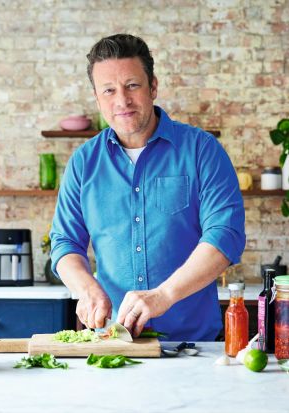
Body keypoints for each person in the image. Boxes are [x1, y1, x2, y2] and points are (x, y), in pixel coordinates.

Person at [49, 34, 245, 341]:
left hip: (193, 345)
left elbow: (225, 236)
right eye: (109, 90)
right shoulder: (83, 162)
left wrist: (164, 295)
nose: (121, 101)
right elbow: (64, 243)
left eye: (132, 86)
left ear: (153, 86)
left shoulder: (202, 150)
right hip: (113, 344)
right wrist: (87, 289)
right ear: (97, 98)